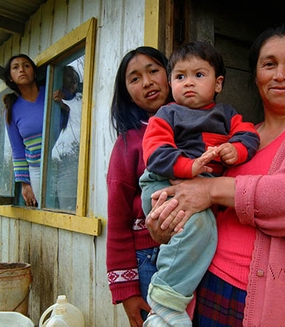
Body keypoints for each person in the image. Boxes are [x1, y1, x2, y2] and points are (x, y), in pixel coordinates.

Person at [146, 24, 285, 326]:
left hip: (269, 300)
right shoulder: (241, 140)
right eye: (269, 64)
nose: (280, 74)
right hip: (202, 287)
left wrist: (211, 190)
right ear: (256, 76)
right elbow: (196, 206)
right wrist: (166, 227)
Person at [139, 41, 260, 326]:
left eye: (199, 75)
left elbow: (249, 135)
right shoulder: (166, 114)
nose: (188, 83)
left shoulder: (228, 115)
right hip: (161, 182)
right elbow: (156, 153)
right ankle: (165, 299)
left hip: (201, 186)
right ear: (170, 83)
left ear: (218, 83)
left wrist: (237, 150)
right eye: (180, 77)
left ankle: (170, 301)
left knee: (202, 233)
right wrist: (189, 167)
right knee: (193, 227)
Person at [105, 46, 172, 327]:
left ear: (170, 73)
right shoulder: (128, 144)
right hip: (150, 259)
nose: (146, 82)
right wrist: (126, 291)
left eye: (153, 70)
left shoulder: (199, 126)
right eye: (134, 78)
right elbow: (118, 221)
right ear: (127, 93)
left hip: (201, 250)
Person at [3, 54, 67, 207]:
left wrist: (63, 105)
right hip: (37, 170)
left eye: (26, 65)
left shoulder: (52, 93)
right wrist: (25, 184)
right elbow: (17, 149)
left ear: (34, 72)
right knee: (46, 211)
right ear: (11, 77)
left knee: (68, 207)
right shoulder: (12, 110)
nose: (22, 70)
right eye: (16, 67)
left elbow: (70, 123)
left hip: (64, 162)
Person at [51, 65, 83, 211]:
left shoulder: (80, 102)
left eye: (76, 79)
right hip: (58, 161)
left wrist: (63, 105)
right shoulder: (50, 98)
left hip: (76, 161)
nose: (73, 82)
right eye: (69, 77)